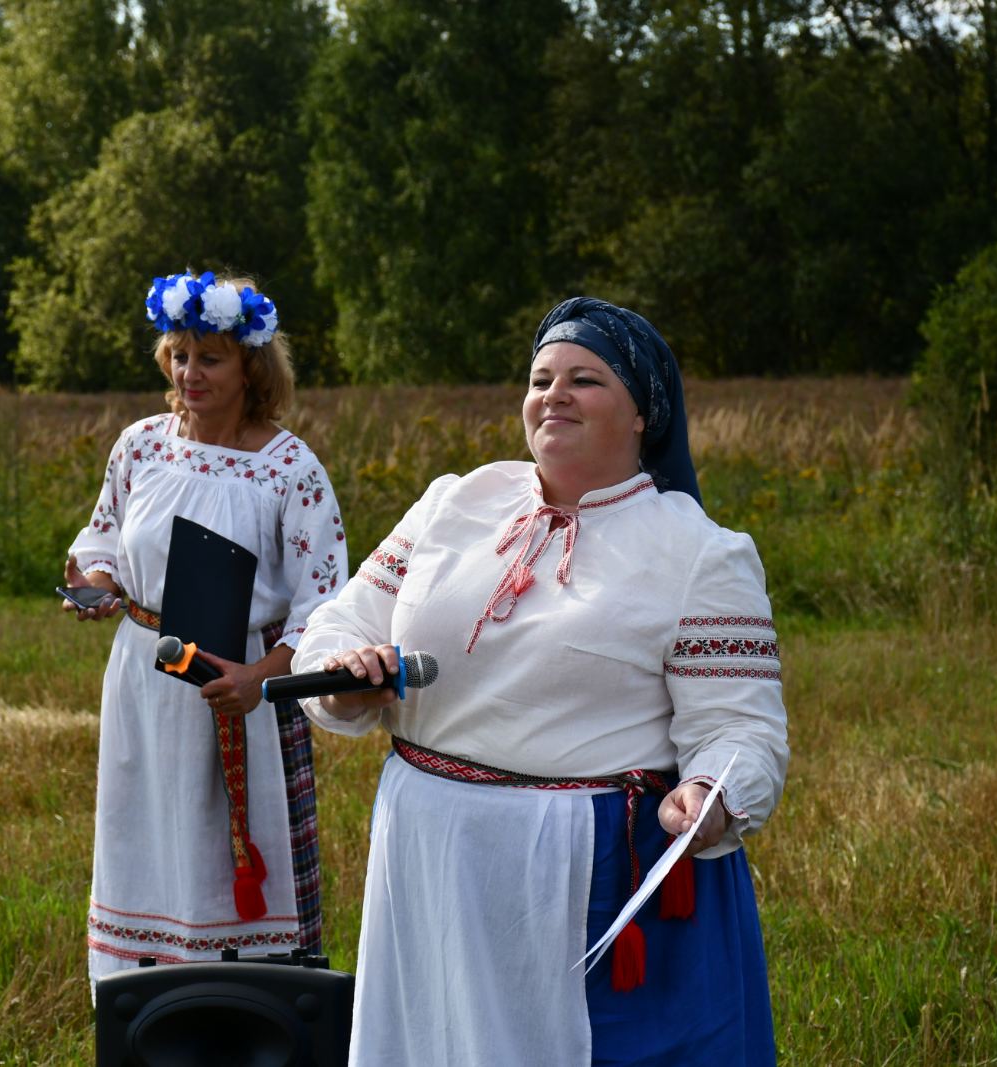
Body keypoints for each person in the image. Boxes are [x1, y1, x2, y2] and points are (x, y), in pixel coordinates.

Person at [292, 297, 789, 1064]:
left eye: (585, 379)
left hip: (580, 875)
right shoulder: (456, 501)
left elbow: (740, 728)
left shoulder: (699, 552)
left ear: (642, 416)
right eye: (541, 377)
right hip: (429, 845)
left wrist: (715, 794)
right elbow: (340, 623)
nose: (553, 393)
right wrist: (343, 679)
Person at [64, 269, 348, 983]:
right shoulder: (140, 446)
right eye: (180, 355)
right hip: (142, 686)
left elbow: (327, 606)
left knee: (228, 870)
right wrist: (97, 586)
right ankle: (146, 1013)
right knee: (147, 846)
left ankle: (247, 1017)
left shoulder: (291, 470)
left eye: (210, 358)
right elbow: (102, 541)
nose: (190, 372)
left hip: (239, 689)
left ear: (251, 368)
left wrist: (257, 678)